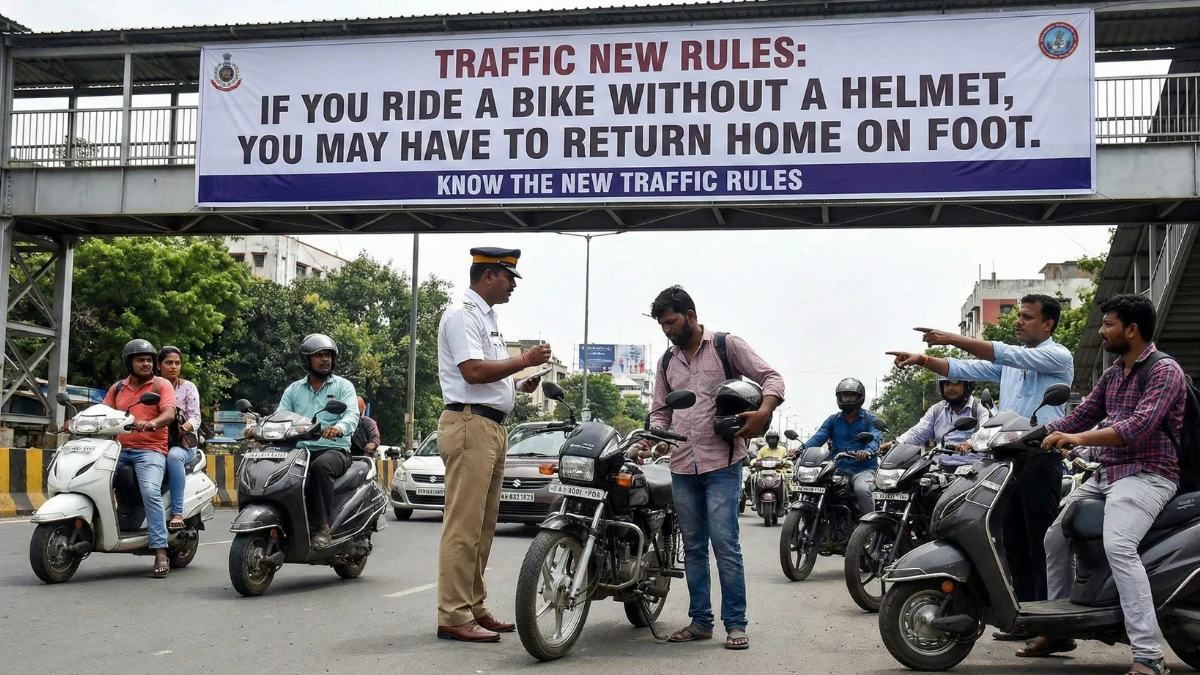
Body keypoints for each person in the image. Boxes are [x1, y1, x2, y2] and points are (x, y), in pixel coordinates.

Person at [886, 293, 1073, 624]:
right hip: (1007, 459)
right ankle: (1026, 618)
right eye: (1019, 315)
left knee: (1038, 541)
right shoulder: (1013, 364)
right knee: (1012, 540)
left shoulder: (1056, 356)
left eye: (1027, 317)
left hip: (1041, 455)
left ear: (1048, 324)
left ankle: (1053, 624)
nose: (1019, 321)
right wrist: (923, 359)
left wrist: (952, 337)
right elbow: (967, 367)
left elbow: (1000, 352)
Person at [1025, 294, 1184, 675]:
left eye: (1108, 324)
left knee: (1119, 545)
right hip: (1108, 473)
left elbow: (1139, 425)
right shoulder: (1114, 372)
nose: (1101, 331)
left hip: (1149, 473)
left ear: (1132, 330)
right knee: (1055, 537)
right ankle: (1058, 632)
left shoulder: (1165, 371)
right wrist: (1030, 434)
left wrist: (1080, 439)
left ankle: (1149, 654)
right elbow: (1082, 414)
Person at [646, 285, 784, 651]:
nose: (667, 331)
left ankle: (735, 623)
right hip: (680, 464)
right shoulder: (666, 361)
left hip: (722, 461)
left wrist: (764, 411)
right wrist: (653, 436)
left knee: (725, 544)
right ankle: (700, 621)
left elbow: (772, 378)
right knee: (692, 547)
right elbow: (661, 409)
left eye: (672, 322)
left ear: (691, 315)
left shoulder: (726, 345)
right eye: (661, 325)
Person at [435, 247, 550, 643]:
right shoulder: (462, 315)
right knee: (463, 527)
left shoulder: (487, 318)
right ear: (488, 276)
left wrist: (519, 383)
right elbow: (472, 371)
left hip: (490, 427)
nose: (512, 287)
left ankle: (474, 605)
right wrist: (524, 361)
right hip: (469, 425)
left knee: (483, 528)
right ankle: (452, 613)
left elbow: (488, 378)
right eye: (508, 278)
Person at [102, 339, 178, 577]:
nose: (146, 364)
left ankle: (160, 550)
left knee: (149, 490)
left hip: (151, 450)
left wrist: (153, 423)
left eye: (149, 360)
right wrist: (76, 421)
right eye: (140, 359)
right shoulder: (117, 388)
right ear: (129, 363)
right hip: (118, 450)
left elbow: (169, 412)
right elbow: (103, 412)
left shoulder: (161, 385)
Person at [277, 333, 359, 549]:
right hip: (300, 450)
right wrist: (258, 429)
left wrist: (338, 428)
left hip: (335, 451)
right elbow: (280, 416)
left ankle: (322, 527)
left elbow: (352, 415)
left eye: (328, 355)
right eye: (319, 355)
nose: (325, 360)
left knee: (320, 467)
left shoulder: (343, 387)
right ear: (306, 360)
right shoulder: (293, 390)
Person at [794, 378, 882, 517]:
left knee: (862, 489)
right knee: (819, 486)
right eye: (844, 395)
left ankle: (869, 529)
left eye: (851, 395)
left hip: (863, 469)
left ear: (860, 397)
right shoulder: (833, 420)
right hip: (838, 468)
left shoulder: (869, 419)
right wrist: (801, 449)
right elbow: (819, 437)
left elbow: (876, 437)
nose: (847, 398)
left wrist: (867, 451)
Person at [881, 376, 986, 470]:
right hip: (941, 468)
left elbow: (988, 431)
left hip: (975, 468)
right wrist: (896, 444)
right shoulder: (937, 410)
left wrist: (970, 443)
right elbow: (918, 433)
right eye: (946, 384)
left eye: (955, 383)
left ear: (967, 385)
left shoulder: (980, 407)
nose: (950, 388)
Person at [157, 346, 201, 532]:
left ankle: (177, 512)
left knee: (174, 457)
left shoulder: (188, 388)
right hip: (154, 440)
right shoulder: (151, 387)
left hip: (181, 443)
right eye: (169, 363)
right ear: (159, 366)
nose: (174, 367)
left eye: (177, 363)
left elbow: (196, 418)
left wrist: (183, 428)